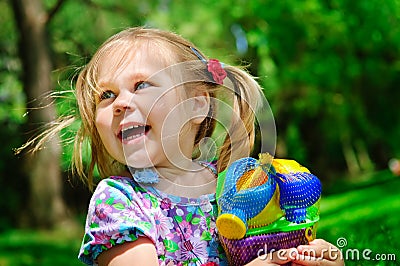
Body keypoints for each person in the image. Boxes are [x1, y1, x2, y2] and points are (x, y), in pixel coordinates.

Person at [24, 27, 344, 265]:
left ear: (195, 105)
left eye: (141, 85)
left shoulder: (234, 185)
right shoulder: (119, 202)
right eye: (106, 95)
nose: (120, 103)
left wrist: (304, 257)